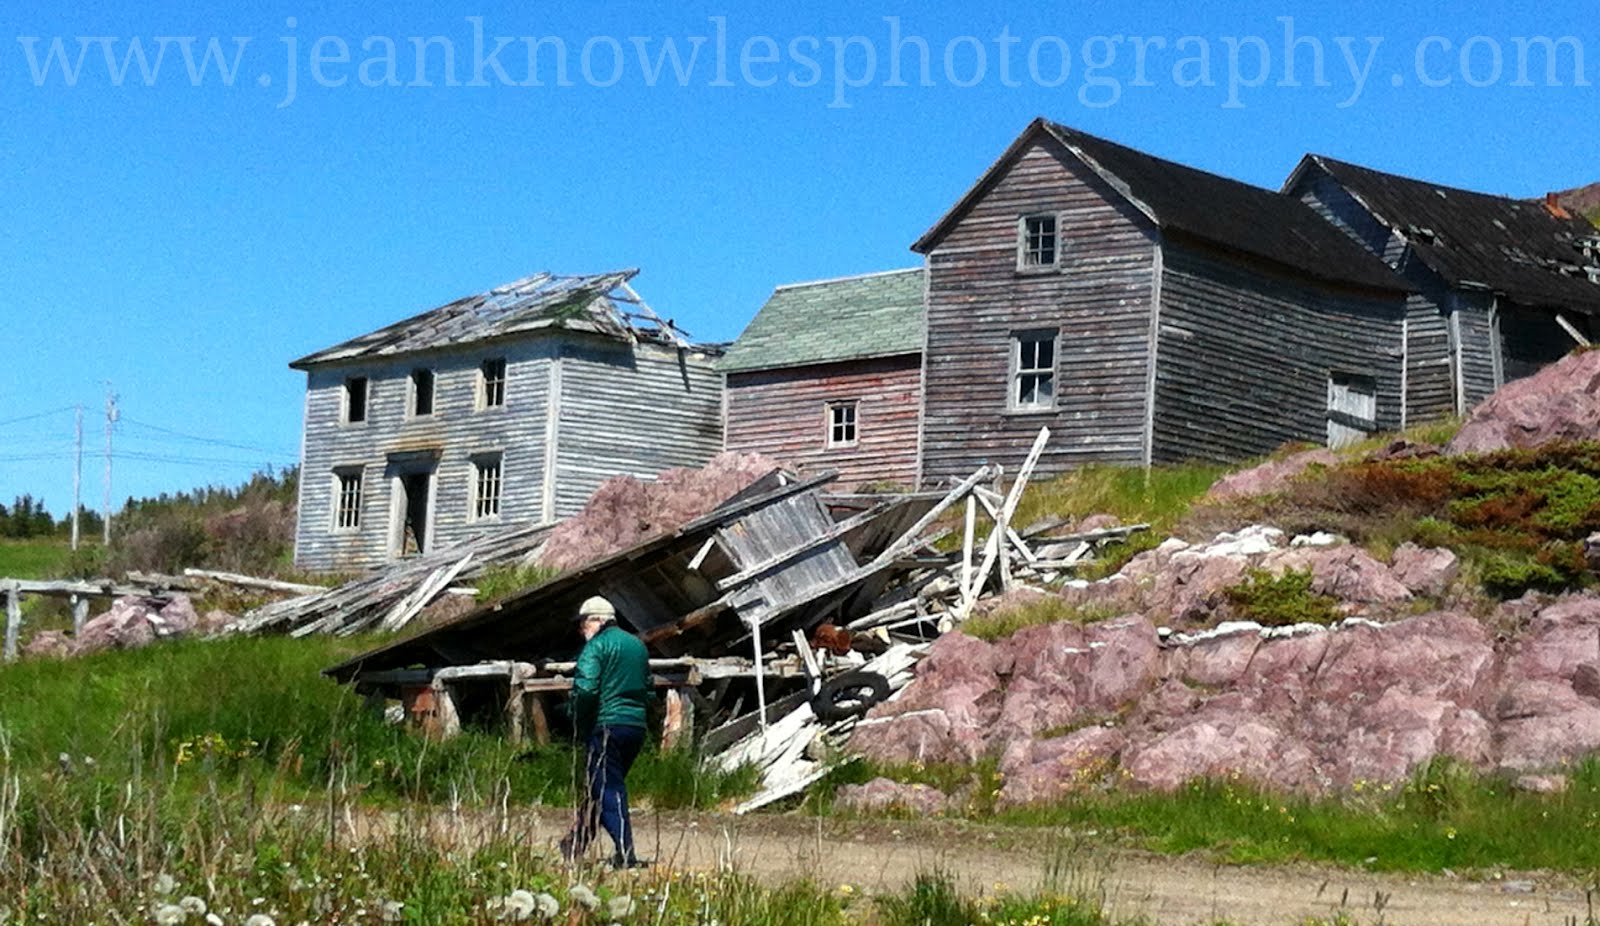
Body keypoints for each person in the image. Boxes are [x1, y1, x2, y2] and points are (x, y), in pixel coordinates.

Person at [560, 595, 652, 868]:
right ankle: (574, 843)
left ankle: (626, 852)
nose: (581, 630)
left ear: (596, 620)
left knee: (607, 789)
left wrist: (578, 722)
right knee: (600, 787)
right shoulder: (637, 646)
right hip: (635, 726)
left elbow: (586, 690)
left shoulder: (596, 647)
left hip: (606, 724)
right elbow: (648, 689)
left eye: (583, 624)